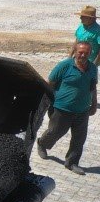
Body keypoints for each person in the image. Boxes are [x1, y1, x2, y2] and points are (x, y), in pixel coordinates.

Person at [37, 41, 97, 175]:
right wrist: (46, 103)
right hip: (62, 108)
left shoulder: (93, 68)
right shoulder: (64, 66)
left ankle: (72, 163)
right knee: (55, 132)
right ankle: (42, 143)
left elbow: (92, 88)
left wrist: (93, 104)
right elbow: (50, 84)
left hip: (82, 110)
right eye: (80, 52)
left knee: (79, 138)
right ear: (75, 52)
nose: (83, 55)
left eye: (86, 53)